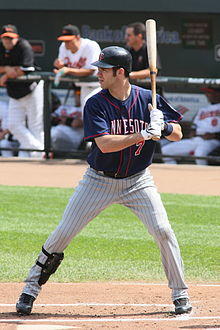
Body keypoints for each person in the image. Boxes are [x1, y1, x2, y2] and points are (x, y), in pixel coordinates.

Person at [16, 46, 192, 316]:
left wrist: (165, 127)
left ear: (120, 72)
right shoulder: (96, 102)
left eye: (103, 69)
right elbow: (105, 144)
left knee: (163, 230)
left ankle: (180, 293)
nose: (98, 73)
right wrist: (143, 134)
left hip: (138, 181)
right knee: (63, 233)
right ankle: (30, 288)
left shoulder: (148, 98)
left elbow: (178, 134)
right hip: (98, 181)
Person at [0, 24, 44, 158]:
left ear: (16, 37)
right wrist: (7, 69)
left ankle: (36, 157)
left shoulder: (23, 46)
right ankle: (41, 151)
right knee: (13, 125)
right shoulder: (1, 48)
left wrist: (6, 74)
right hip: (15, 92)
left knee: (34, 126)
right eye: (5, 38)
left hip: (32, 89)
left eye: (11, 38)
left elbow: (23, 70)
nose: (8, 41)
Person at [162, 86, 220, 165]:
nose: (207, 95)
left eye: (210, 92)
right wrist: (192, 132)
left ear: (218, 94)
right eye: (207, 93)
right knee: (165, 151)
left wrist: (215, 135)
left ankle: (204, 176)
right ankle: (175, 175)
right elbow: (194, 126)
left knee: (200, 154)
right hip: (197, 139)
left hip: (212, 141)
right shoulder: (203, 110)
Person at [53, 24, 101, 109]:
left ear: (78, 37)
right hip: (83, 86)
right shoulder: (63, 47)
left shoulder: (90, 46)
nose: (66, 43)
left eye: (69, 40)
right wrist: (60, 67)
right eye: (64, 41)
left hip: (99, 86)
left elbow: (91, 71)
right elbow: (63, 67)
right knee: (85, 115)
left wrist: (67, 70)